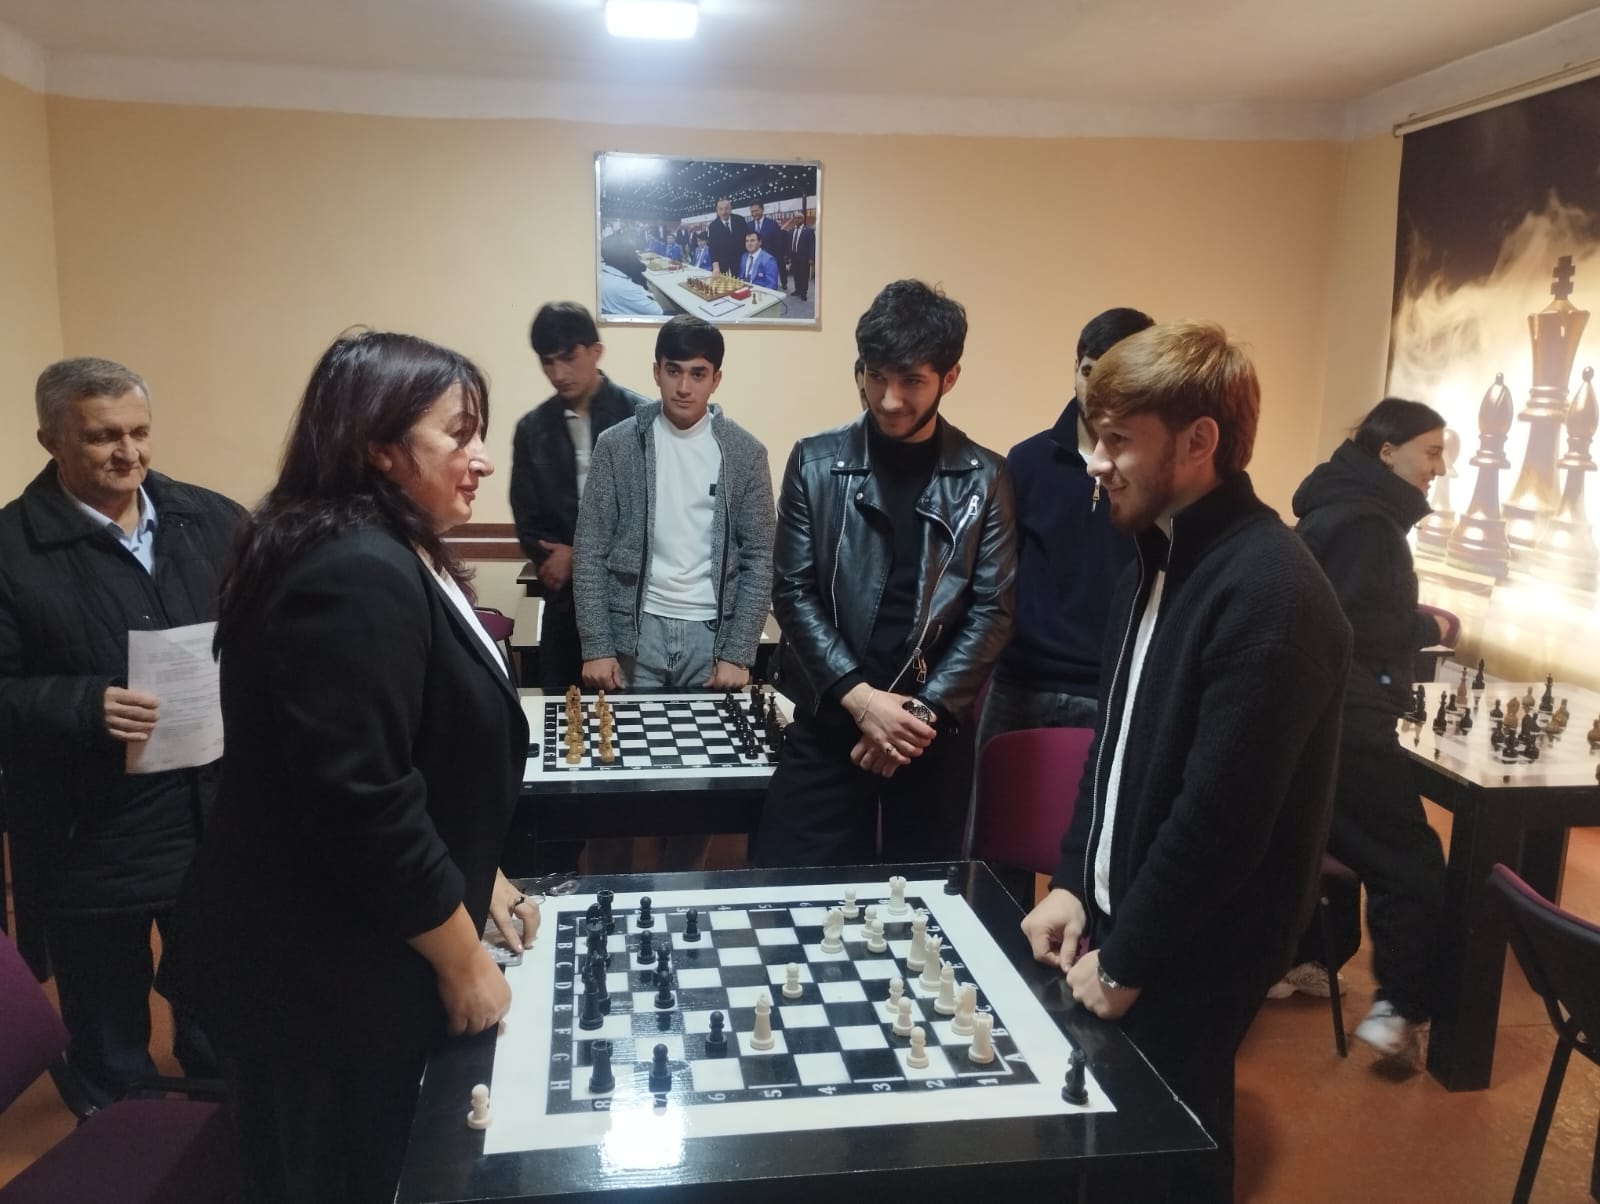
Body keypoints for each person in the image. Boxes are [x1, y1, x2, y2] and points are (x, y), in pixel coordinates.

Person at [161, 331, 537, 1203]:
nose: (483, 459)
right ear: (378, 446)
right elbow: (362, 800)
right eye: (460, 434)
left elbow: (410, 752)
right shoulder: (353, 569)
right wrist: (461, 960)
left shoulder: (387, 545)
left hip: (347, 956)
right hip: (320, 982)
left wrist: (478, 874)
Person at [1018, 322, 1351, 1203]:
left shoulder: (1273, 593)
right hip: (1132, 920)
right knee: (1119, 1146)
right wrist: (1072, 881)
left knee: (1166, 1157)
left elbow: (1221, 823)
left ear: (1200, 441)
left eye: (1118, 440)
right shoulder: (1154, 554)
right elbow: (1114, 743)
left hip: (1197, 944)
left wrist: (1128, 958)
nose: (1096, 462)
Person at [0, 357, 242, 1108]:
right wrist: (83, 704)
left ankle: (222, 1136)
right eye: (102, 437)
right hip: (91, 834)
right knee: (110, 1038)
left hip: (210, 814)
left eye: (139, 432)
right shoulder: (10, 549)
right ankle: (119, 1137)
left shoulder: (212, 519)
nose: (128, 453)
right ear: (50, 440)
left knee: (223, 1014)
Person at [756, 279, 1016, 867]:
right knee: (785, 888)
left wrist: (917, 716)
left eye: (912, 381)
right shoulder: (815, 462)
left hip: (928, 731)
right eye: (876, 376)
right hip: (829, 714)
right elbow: (792, 591)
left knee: (920, 901)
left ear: (950, 377)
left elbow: (992, 612)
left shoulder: (987, 477)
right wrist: (861, 700)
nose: (890, 399)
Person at [1285, 398, 1450, 1059]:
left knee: (1320, 835)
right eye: (1432, 452)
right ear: (1388, 451)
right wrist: (1428, 626)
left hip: (1314, 709)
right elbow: (1355, 625)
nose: (1440, 468)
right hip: (1349, 716)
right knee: (1410, 862)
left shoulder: (1336, 505)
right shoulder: (1367, 525)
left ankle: (1298, 959)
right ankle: (1401, 1008)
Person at [977, 307, 1152, 750]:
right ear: (1074, 368)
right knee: (994, 798)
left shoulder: (1153, 473)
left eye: (1115, 375)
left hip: (1113, 687)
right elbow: (994, 575)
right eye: (1089, 371)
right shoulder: (1026, 461)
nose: (1097, 388)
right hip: (1021, 683)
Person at [573, 314, 774, 696]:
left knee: (709, 736)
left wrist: (739, 652)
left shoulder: (746, 454)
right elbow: (590, 548)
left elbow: (761, 556)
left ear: (716, 379)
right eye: (673, 371)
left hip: (711, 635)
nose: (683, 387)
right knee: (630, 734)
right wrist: (597, 645)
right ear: (656, 372)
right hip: (636, 630)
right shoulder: (617, 446)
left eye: (698, 374)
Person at [510, 302, 649, 690]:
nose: (559, 374)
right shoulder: (532, 429)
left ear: (595, 351)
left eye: (568, 359)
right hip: (564, 606)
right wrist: (558, 558)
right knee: (563, 711)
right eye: (547, 362)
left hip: (633, 605)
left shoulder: (641, 418)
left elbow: (653, 514)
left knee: (634, 718)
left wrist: (578, 555)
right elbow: (527, 520)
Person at [706, 196, 748, 278]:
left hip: (740, 260)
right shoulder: (713, 226)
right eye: (721, 209)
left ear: (730, 208)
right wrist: (715, 267)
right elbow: (712, 248)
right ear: (717, 211)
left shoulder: (740, 220)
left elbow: (746, 240)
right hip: (722, 262)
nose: (724, 212)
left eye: (726, 208)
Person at [786, 216, 816, 300]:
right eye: (795, 218)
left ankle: (803, 293)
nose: (797, 220)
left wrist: (811, 257)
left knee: (804, 275)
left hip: (804, 257)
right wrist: (788, 256)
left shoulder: (809, 231)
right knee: (796, 274)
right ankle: (797, 290)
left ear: (803, 219)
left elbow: (812, 245)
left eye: (799, 218)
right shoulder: (791, 231)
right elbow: (789, 244)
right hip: (794, 256)